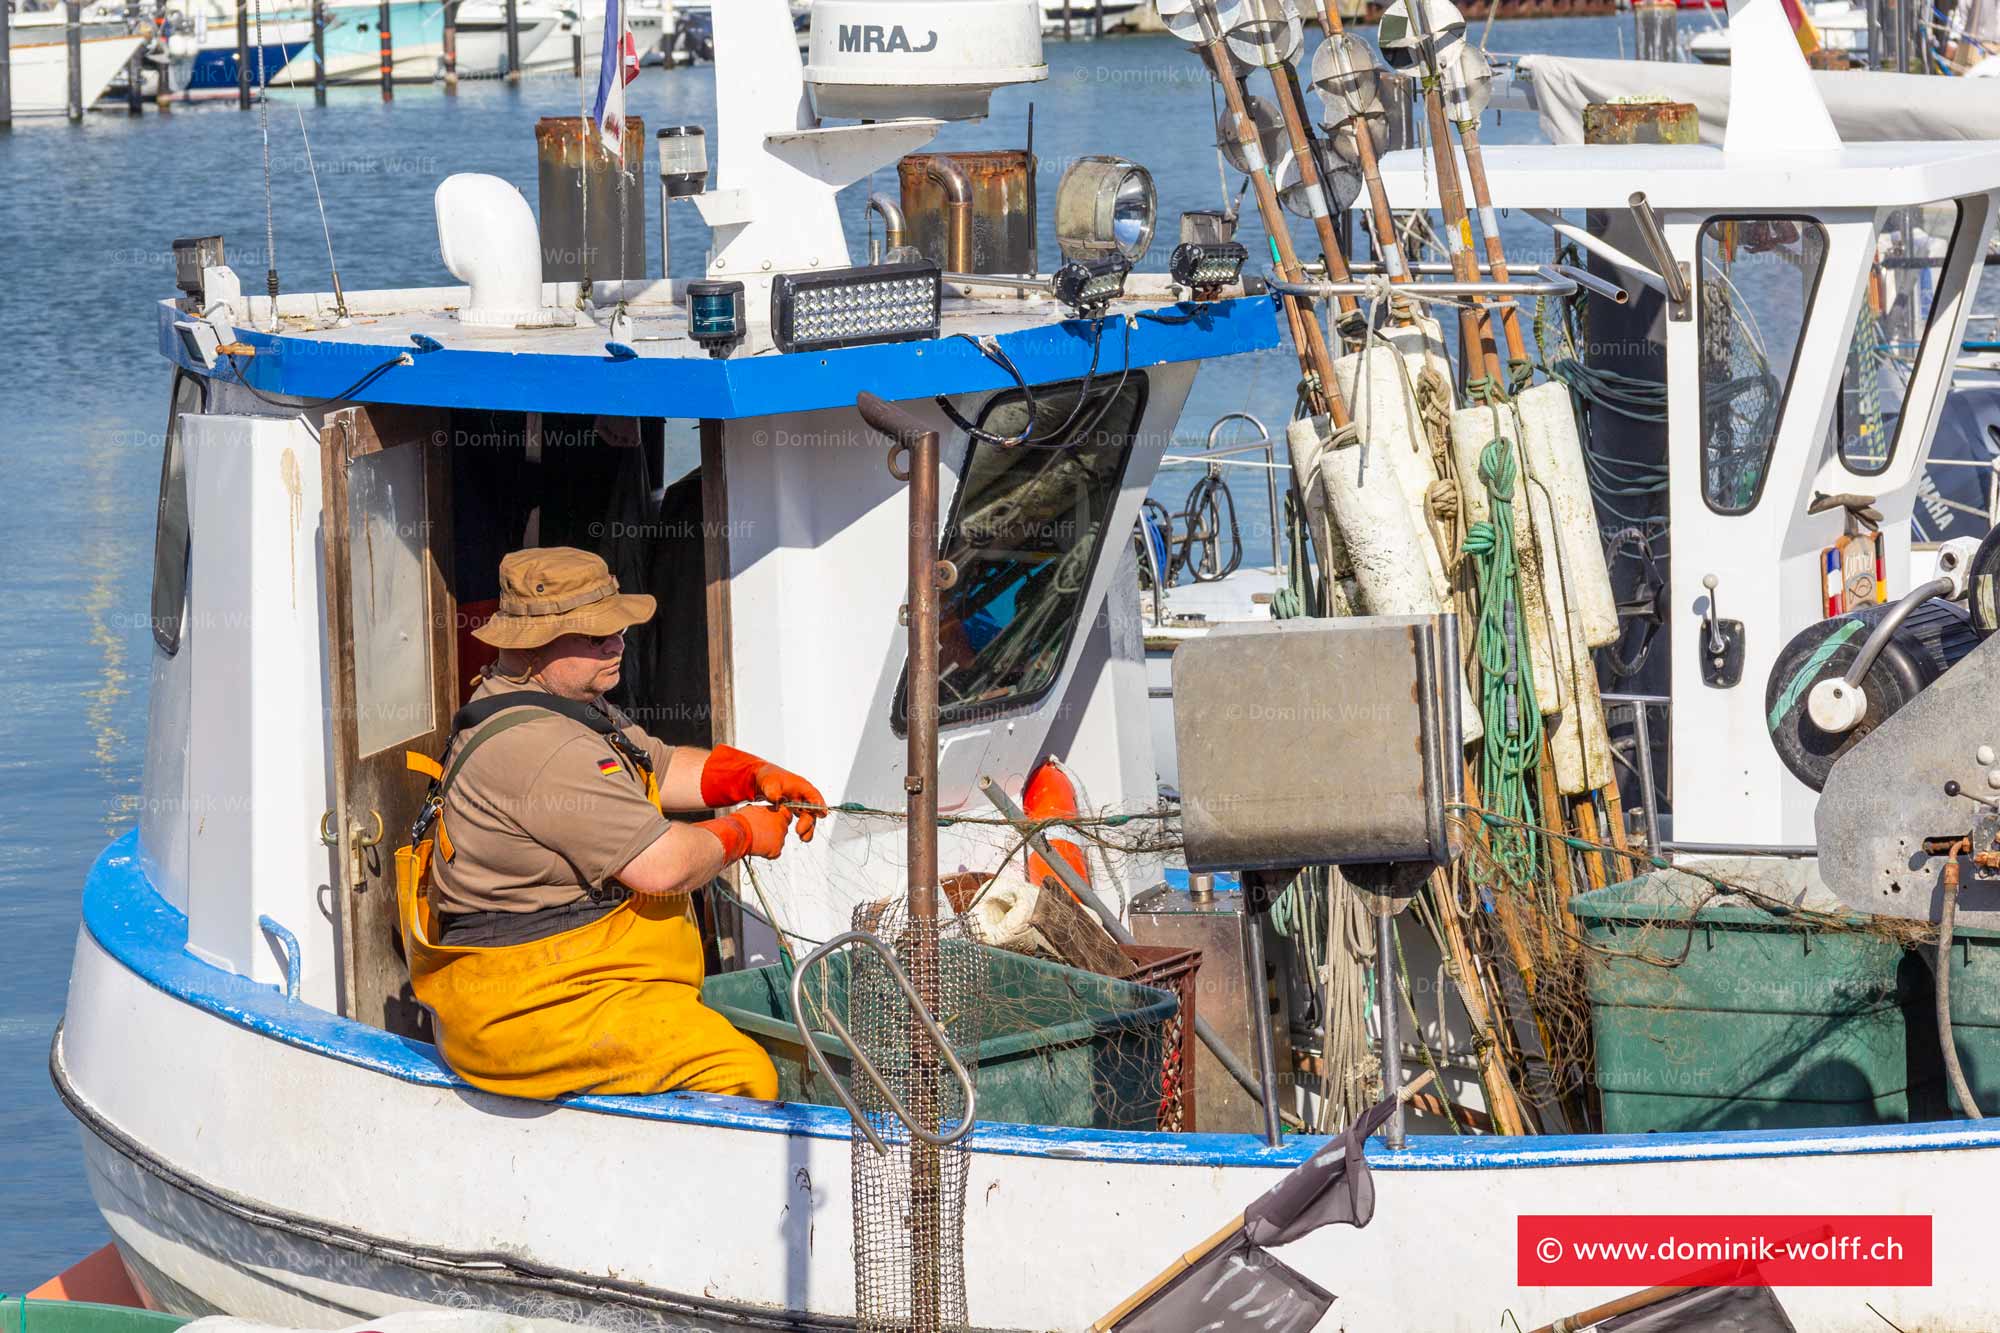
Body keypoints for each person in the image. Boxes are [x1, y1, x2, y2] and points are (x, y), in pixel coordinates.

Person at [394, 547, 825, 1103]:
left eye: (618, 628)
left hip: (580, 974)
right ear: (533, 644)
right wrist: (743, 833)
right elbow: (662, 867)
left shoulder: (557, 700)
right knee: (740, 1072)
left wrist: (748, 775)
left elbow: (658, 765)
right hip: (528, 1003)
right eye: (595, 635)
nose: (617, 642)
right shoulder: (542, 748)